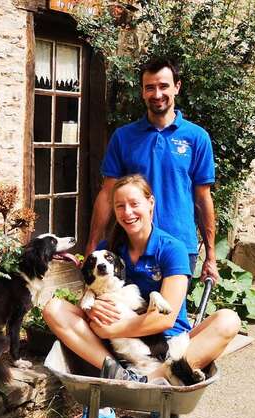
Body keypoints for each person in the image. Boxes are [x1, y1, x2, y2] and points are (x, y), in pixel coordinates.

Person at [44, 174, 240, 418]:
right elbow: (90, 292)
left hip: (167, 344)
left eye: (134, 203)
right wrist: (89, 309)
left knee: (228, 320)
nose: (128, 212)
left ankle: (158, 385)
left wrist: (112, 330)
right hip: (115, 352)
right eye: (120, 206)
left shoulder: (171, 249)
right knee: (54, 308)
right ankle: (115, 382)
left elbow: (165, 320)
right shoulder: (108, 249)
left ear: (151, 203)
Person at [85, 57, 218, 283]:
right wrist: (92, 244)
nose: (157, 94)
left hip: (179, 246)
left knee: (167, 315)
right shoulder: (123, 137)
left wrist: (211, 256)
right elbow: (107, 194)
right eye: (150, 88)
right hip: (129, 246)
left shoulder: (197, 138)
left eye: (163, 86)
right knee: (122, 312)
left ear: (177, 87)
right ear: (142, 92)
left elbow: (203, 198)